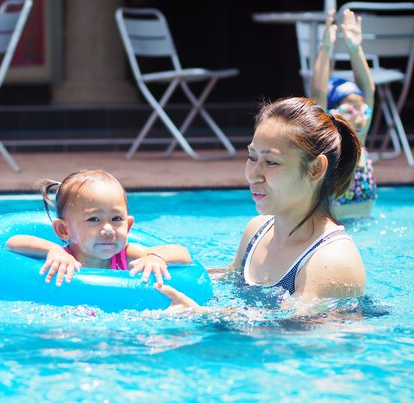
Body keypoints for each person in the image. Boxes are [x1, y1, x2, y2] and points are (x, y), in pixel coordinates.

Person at [157, 97, 366, 313]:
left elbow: (292, 328)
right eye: (252, 156)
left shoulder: (330, 260)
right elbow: (224, 279)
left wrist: (202, 314)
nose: (253, 175)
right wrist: (159, 259)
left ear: (315, 170)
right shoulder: (257, 231)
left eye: (271, 162)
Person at [6, 169, 192, 287]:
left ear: (128, 226)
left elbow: (182, 253)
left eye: (116, 218)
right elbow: (13, 242)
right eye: (94, 219)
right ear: (64, 230)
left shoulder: (127, 256)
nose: (108, 229)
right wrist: (53, 250)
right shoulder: (63, 258)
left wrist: (156, 258)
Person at [311, 8, 376, 219]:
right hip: (334, 230)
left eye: (361, 109)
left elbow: (368, 90)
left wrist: (355, 48)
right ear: (332, 114)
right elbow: (318, 93)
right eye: (349, 109)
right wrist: (325, 47)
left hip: (365, 227)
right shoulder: (332, 145)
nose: (358, 116)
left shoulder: (360, 141)